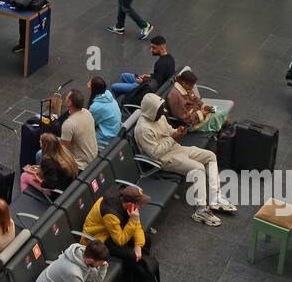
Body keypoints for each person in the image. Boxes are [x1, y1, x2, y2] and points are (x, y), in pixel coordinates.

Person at [134, 91, 235, 226]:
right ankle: (201, 211)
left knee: (210, 156)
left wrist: (177, 132)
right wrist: (172, 138)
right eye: (159, 110)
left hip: (176, 148)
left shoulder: (158, 117)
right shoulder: (143, 129)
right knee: (198, 168)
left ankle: (216, 197)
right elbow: (155, 154)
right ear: (151, 110)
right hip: (164, 159)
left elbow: (169, 131)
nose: (162, 112)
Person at [82, 185, 153, 282]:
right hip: (98, 237)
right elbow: (120, 240)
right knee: (130, 255)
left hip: (113, 231)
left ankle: (136, 270)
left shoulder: (127, 204)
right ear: (130, 204)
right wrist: (133, 221)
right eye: (139, 204)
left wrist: (138, 246)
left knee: (146, 239)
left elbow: (137, 227)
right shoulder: (111, 213)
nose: (142, 206)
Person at [167, 68, 231, 134]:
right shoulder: (175, 96)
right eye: (191, 86)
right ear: (183, 83)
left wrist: (204, 106)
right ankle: (226, 134)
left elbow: (195, 99)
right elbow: (183, 117)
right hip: (192, 123)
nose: (192, 88)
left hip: (199, 113)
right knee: (218, 118)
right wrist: (201, 114)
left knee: (223, 113)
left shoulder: (186, 87)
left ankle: (227, 131)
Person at [109, 36, 174, 97]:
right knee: (123, 75)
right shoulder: (170, 58)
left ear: (162, 48)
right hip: (151, 82)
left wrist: (142, 82)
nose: (151, 50)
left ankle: (122, 103)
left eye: (154, 48)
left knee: (114, 87)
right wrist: (150, 76)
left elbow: (155, 86)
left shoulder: (160, 64)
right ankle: (129, 95)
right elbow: (160, 76)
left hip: (147, 88)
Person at [59, 89, 98, 170]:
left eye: (67, 97)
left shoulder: (69, 124)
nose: (65, 97)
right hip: (93, 156)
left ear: (70, 103)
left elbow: (63, 150)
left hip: (80, 165)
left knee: (40, 154)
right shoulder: (87, 112)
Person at [87, 76, 122, 148]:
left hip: (108, 137)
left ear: (91, 88)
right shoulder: (108, 94)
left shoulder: (95, 107)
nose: (87, 83)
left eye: (89, 83)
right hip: (116, 129)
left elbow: (90, 124)